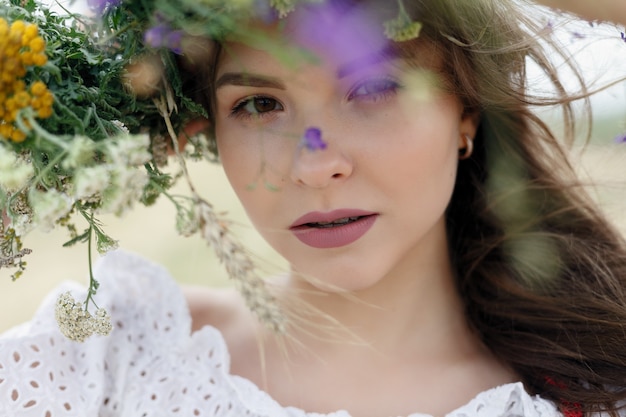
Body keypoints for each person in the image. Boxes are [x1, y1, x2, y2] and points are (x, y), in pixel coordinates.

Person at [1, 0, 626, 416]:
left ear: (465, 113)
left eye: (373, 88)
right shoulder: (101, 359)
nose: (314, 165)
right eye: (258, 106)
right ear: (206, 130)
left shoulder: (595, 394)